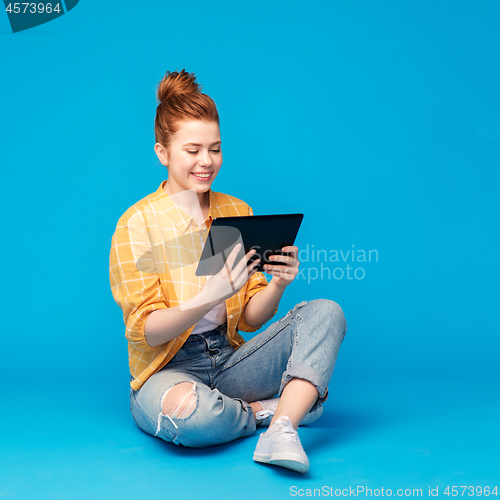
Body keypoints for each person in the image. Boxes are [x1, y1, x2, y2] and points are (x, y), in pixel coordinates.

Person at [109, 69, 347, 474]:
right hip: (167, 371)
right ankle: (262, 412)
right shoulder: (138, 225)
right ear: (162, 153)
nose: (206, 162)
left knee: (327, 312)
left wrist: (278, 285)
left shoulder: (234, 212)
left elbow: (251, 319)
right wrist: (210, 294)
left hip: (228, 360)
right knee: (195, 418)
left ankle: (282, 426)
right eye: (193, 150)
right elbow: (145, 330)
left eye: (215, 149)